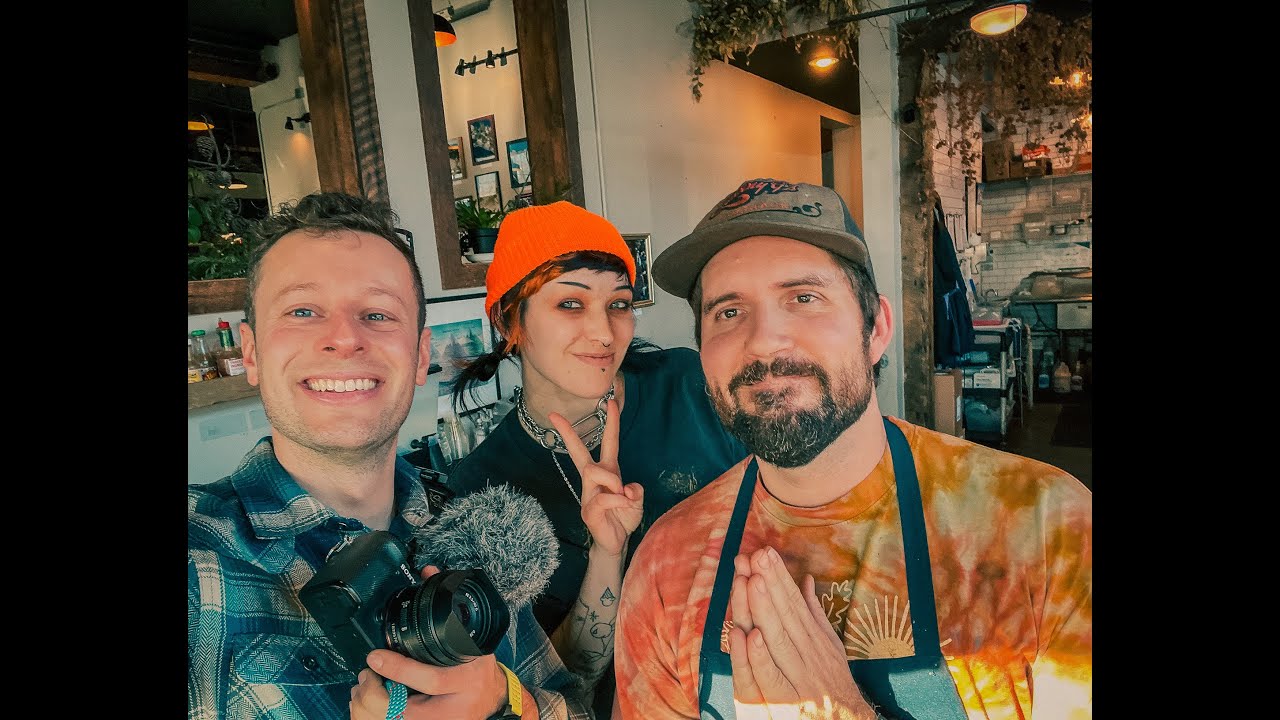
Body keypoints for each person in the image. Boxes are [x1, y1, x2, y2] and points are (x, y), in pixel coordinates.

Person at [613, 179, 1092, 719]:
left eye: (804, 298)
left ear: (877, 328)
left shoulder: (1046, 526)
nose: (764, 339)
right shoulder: (665, 563)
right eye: (728, 312)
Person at [187, 192, 591, 720]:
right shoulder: (200, 564)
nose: (345, 338)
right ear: (252, 353)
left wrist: (508, 700)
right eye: (302, 311)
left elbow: (571, 707)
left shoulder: (471, 532)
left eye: (377, 313)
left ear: (421, 355)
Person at [445, 201, 748, 716]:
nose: (605, 334)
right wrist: (607, 555)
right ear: (506, 319)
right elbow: (566, 682)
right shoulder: (481, 487)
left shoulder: (689, 384)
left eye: (620, 304)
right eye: (570, 304)